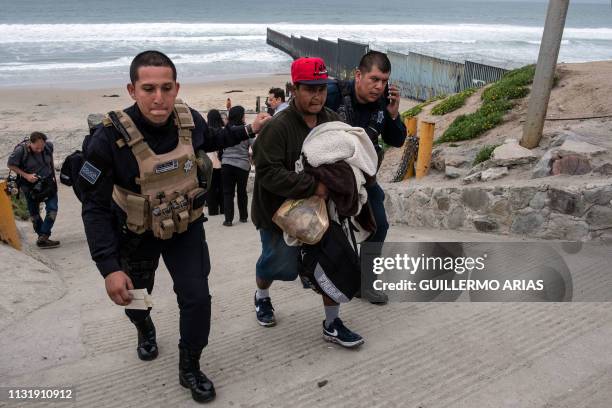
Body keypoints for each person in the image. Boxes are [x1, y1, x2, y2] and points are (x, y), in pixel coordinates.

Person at [79, 50, 270, 403]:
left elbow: (211, 139)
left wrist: (247, 129)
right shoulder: (108, 138)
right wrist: (109, 267)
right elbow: (93, 207)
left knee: (197, 298)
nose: (158, 97)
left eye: (167, 88)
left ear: (176, 87)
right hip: (136, 234)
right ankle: (144, 328)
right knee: (137, 297)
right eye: (148, 88)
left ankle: (190, 366)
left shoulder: (188, 119)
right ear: (132, 90)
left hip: (185, 227)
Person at [251, 57, 364, 348]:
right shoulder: (278, 127)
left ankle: (332, 324)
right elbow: (267, 173)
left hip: (322, 211)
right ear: (294, 88)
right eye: (309, 89)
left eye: (321, 89)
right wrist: (315, 185)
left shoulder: (330, 121)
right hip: (278, 213)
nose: (317, 96)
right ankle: (262, 295)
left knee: (333, 261)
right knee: (280, 267)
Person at [325, 51, 406, 305]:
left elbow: (397, 139)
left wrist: (393, 114)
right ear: (358, 75)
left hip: (363, 178)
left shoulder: (382, 103)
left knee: (379, 225)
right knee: (321, 229)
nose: (379, 86)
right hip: (327, 176)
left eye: (384, 81)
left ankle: (366, 283)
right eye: (374, 79)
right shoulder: (332, 93)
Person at [7, 131, 60, 248]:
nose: (40, 150)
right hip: (30, 186)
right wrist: (26, 176)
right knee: (34, 215)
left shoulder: (48, 147)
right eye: (37, 148)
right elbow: (10, 165)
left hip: (47, 183)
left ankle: (44, 235)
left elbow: (50, 160)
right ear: (30, 143)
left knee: (52, 209)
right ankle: (42, 238)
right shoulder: (21, 151)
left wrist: (53, 177)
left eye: (42, 147)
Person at [220, 105, 252, 226]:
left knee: (228, 192)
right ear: (241, 116)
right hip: (242, 165)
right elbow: (254, 146)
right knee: (241, 191)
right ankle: (243, 217)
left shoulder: (226, 130)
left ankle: (228, 220)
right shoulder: (246, 130)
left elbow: (220, 145)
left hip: (226, 164)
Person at [204, 109, 224, 216]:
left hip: (209, 163)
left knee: (210, 188)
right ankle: (223, 208)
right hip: (222, 163)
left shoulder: (206, 131)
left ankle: (213, 210)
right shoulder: (222, 130)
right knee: (222, 186)